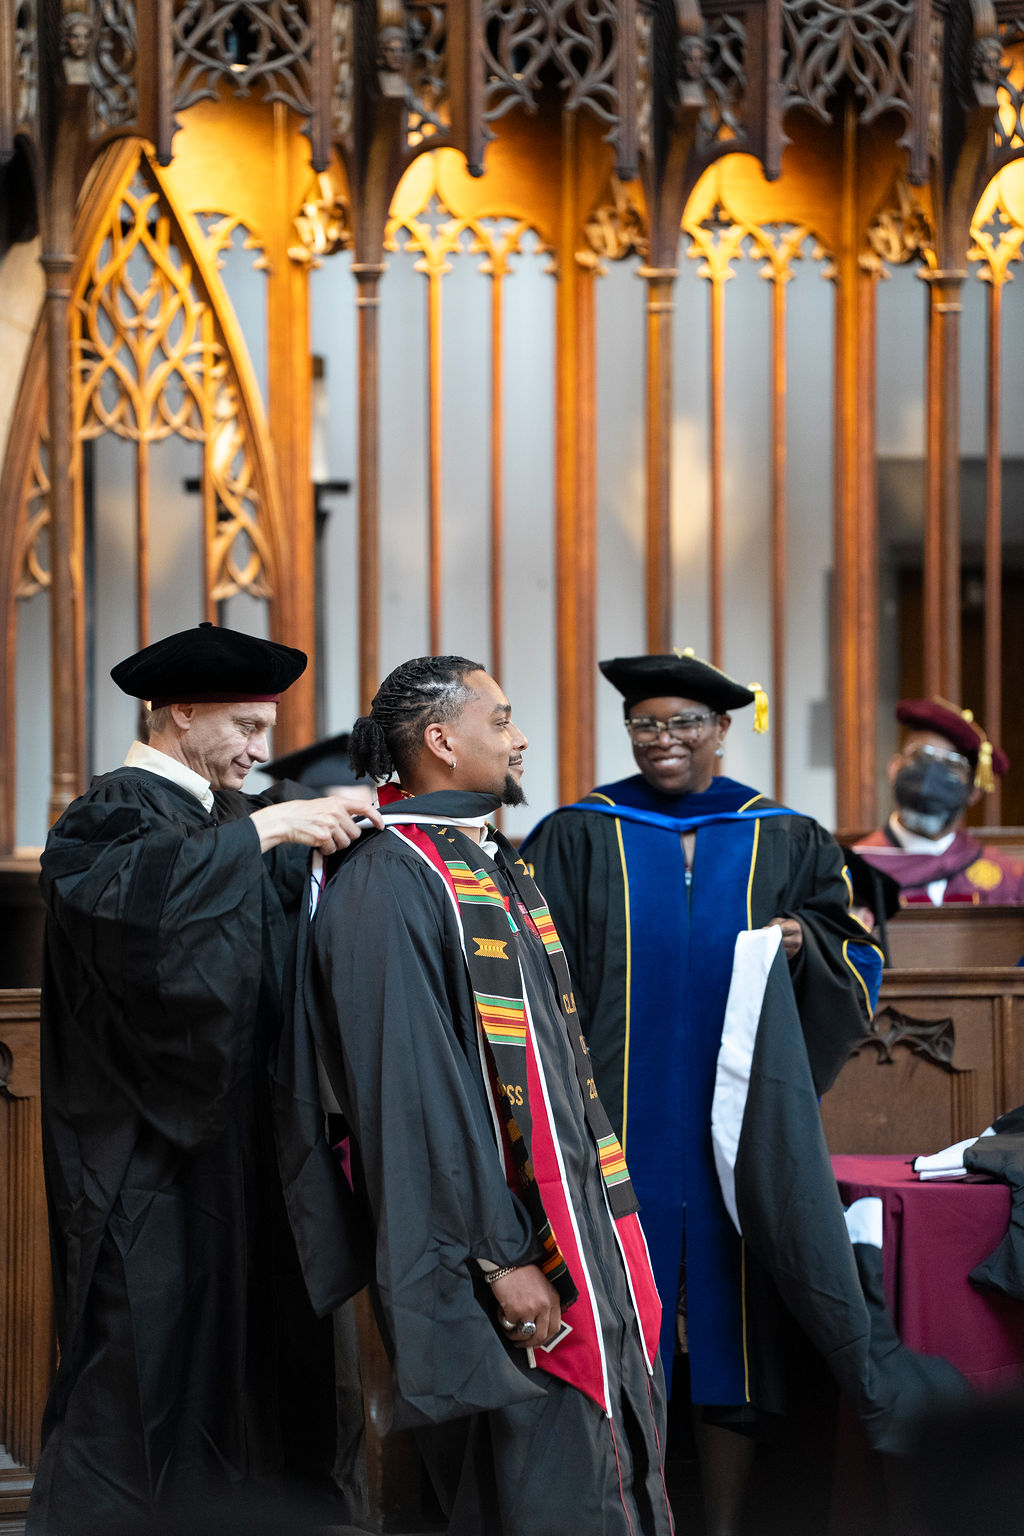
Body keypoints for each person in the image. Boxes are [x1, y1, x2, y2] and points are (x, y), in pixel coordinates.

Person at [298, 654, 673, 1536]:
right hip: (499, 1250)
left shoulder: (483, 860)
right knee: (539, 1482)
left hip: (570, 1226)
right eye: (500, 720)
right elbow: (410, 1097)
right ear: (440, 739)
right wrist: (501, 1260)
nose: (520, 738)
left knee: (600, 1457)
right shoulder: (390, 878)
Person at [29, 621, 382, 1536]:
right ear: (181, 712)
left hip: (246, 1143)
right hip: (141, 1154)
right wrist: (269, 828)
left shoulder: (230, 815)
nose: (261, 752)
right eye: (247, 728)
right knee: (143, 1367)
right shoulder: (112, 812)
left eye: (267, 731)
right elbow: (133, 921)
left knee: (260, 1367)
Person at [521, 648, 882, 1536]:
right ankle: (626, 1511)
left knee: (733, 1328)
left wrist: (804, 942)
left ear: (722, 728)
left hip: (736, 1128)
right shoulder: (579, 832)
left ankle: (719, 1523)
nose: (662, 740)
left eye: (683, 723)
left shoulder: (784, 835)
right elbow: (526, 966)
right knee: (616, 1314)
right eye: (644, 724)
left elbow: (857, 950)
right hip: (611, 1120)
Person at [853, 696, 1024, 910]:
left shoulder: (1009, 881)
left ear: (974, 791)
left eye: (951, 765)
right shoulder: (853, 871)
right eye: (920, 756)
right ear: (894, 768)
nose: (930, 777)